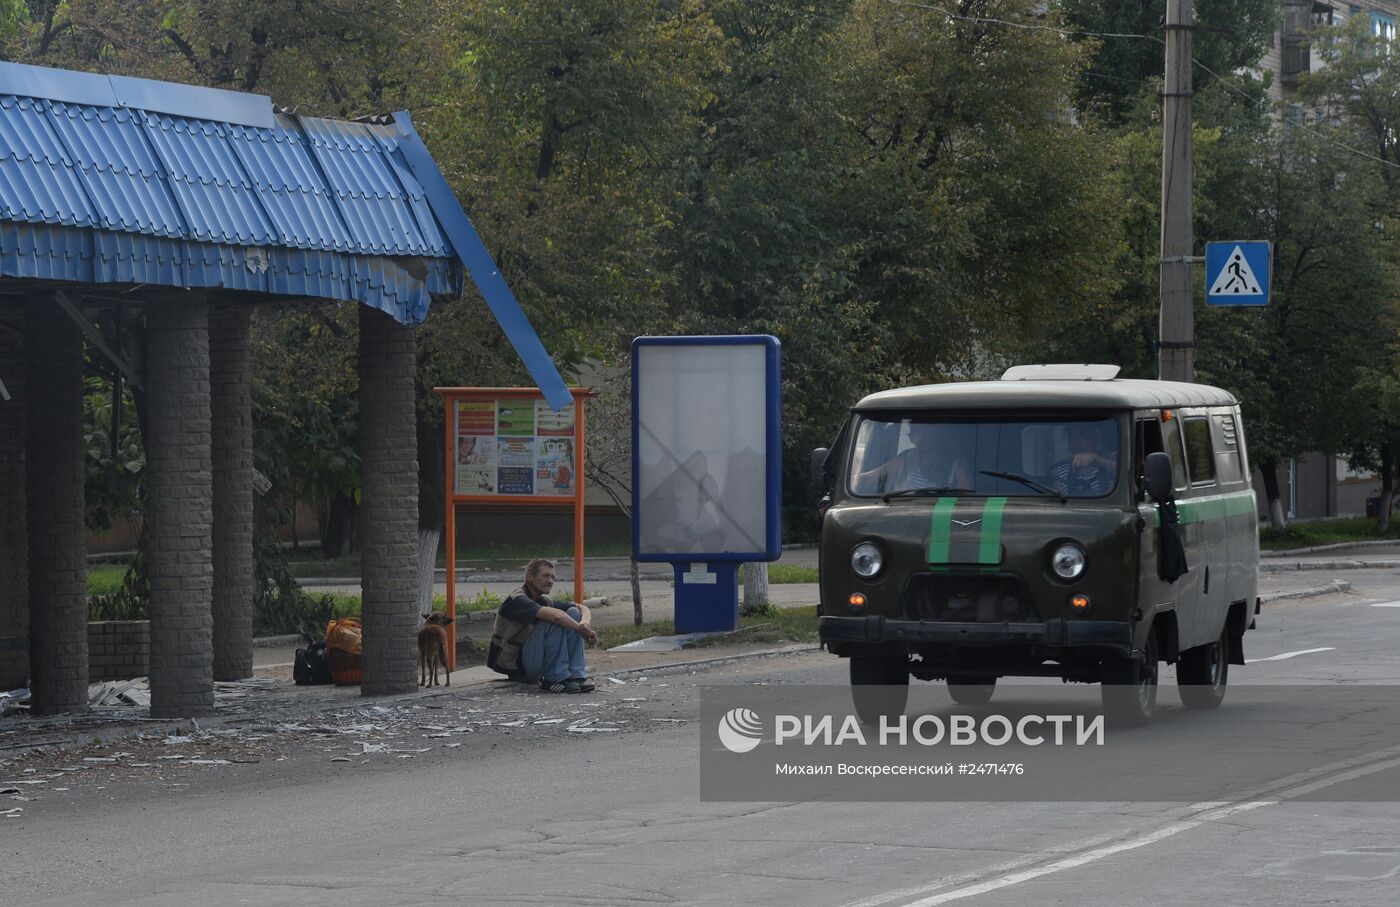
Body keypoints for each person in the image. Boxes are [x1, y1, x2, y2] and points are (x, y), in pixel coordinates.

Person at [487, 558, 597, 693]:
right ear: (530, 577)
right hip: (517, 667)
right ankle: (554, 679)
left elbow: (581, 608)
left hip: (533, 659)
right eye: (545, 576)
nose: (550, 581)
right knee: (553, 620)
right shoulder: (517, 600)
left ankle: (576, 676)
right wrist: (581, 631)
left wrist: (584, 624)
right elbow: (556, 616)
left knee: (572, 613)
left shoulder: (542, 600)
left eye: (552, 577)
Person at [1052, 422, 1117, 496]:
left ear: (1096, 437)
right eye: (1071, 437)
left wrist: (1096, 458)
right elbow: (1057, 502)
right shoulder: (1060, 473)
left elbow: (1126, 475)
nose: (1076, 443)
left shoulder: (1110, 462)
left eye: (1083, 435)